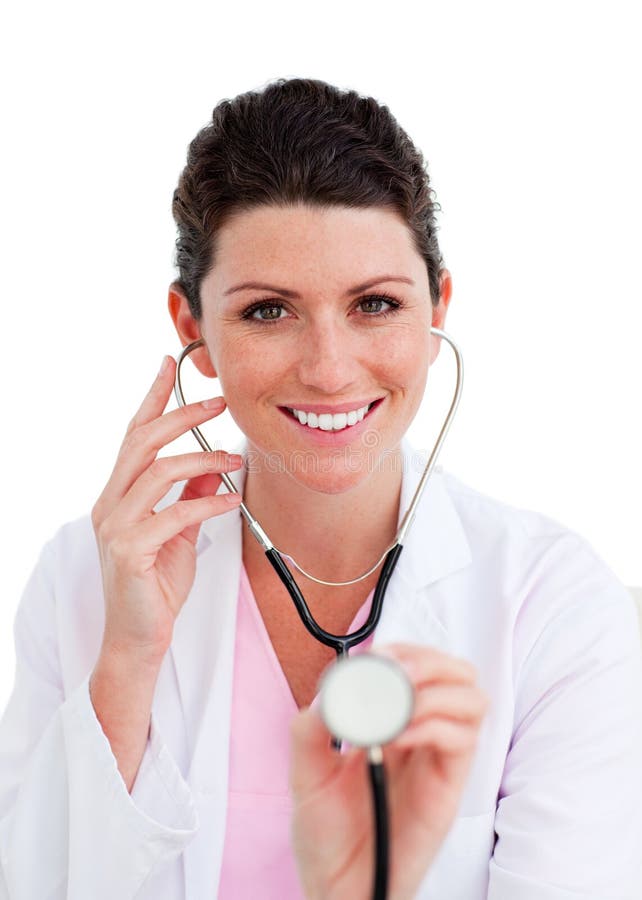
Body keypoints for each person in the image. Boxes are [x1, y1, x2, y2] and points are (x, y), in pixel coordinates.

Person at [0, 77, 641, 900]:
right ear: (193, 328)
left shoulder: (550, 605)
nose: (330, 368)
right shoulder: (86, 580)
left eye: (375, 303)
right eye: (269, 312)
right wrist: (127, 662)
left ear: (437, 305)